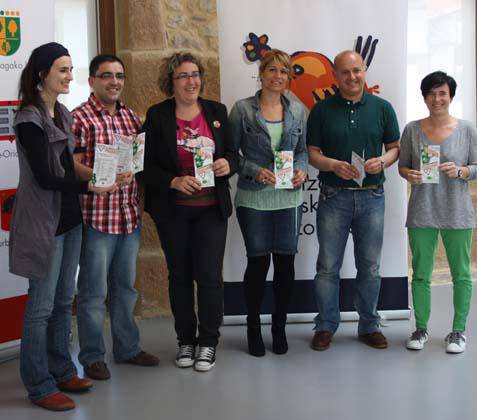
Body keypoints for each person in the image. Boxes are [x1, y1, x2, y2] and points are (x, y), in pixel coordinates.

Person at [10, 42, 115, 411]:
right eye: (63, 70)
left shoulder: (64, 114)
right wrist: (91, 187)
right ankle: (39, 385)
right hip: (44, 223)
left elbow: (68, 168)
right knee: (40, 308)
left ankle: (60, 370)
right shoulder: (28, 118)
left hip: (70, 220)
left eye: (71, 69)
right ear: (43, 74)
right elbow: (45, 177)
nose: (71, 76)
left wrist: (99, 174)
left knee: (61, 302)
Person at [142, 52, 237, 372]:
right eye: (183, 75)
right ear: (171, 81)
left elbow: (233, 154)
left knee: (209, 277)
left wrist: (227, 164)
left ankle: (208, 342)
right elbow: (144, 165)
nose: (191, 81)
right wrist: (173, 181)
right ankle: (186, 340)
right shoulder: (157, 115)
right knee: (180, 277)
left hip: (211, 209)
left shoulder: (217, 111)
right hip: (173, 212)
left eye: (195, 74)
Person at [72, 54, 159, 381]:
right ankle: (92, 356)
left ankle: (127, 348)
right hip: (96, 218)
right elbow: (71, 164)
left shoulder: (130, 117)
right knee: (93, 293)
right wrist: (98, 175)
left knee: (126, 289)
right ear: (92, 81)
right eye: (106, 75)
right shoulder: (79, 118)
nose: (114, 81)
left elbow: (137, 162)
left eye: (119, 75)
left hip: (128, 216)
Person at [307, 50, 400, 351]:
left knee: (370, 267)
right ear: (335, 75)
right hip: (333, 196)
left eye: (356, 70)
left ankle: (369, 325)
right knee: (327, 267)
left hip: (372, 196)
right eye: (345, 72)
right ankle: (325, 325)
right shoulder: (321, 110)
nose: (352, 77)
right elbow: (312, 154)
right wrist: (333, 165)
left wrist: (382, 161)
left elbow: (395, 148)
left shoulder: (383, 108)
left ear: (364, 71)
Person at [229, 49, 308, 357]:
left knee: (285, 264)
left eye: (284, 71)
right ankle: (253, 326)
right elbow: (230, 155)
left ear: (289, 77)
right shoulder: (242, 109)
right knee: (258, 263)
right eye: (272, 70)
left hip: (288, 197)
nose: (278, 76)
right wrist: (253, 170)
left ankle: (279, 327)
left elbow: (302, 151)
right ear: (261, 74)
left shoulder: (298, 110)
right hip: (254, 197)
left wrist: (301, 169)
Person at [399, 71, 477, 354]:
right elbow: (403, 166)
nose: (437, 98)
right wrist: (409, 174)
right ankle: (420, 328)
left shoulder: (467, 129)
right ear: (424, 97)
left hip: (457, 211)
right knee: (421, 274)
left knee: (461, 274)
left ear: (451, 96)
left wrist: (460, 171)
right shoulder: (412, 129)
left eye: (442, 93)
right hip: (422, 210)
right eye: (432, 93)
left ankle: (458, 331)